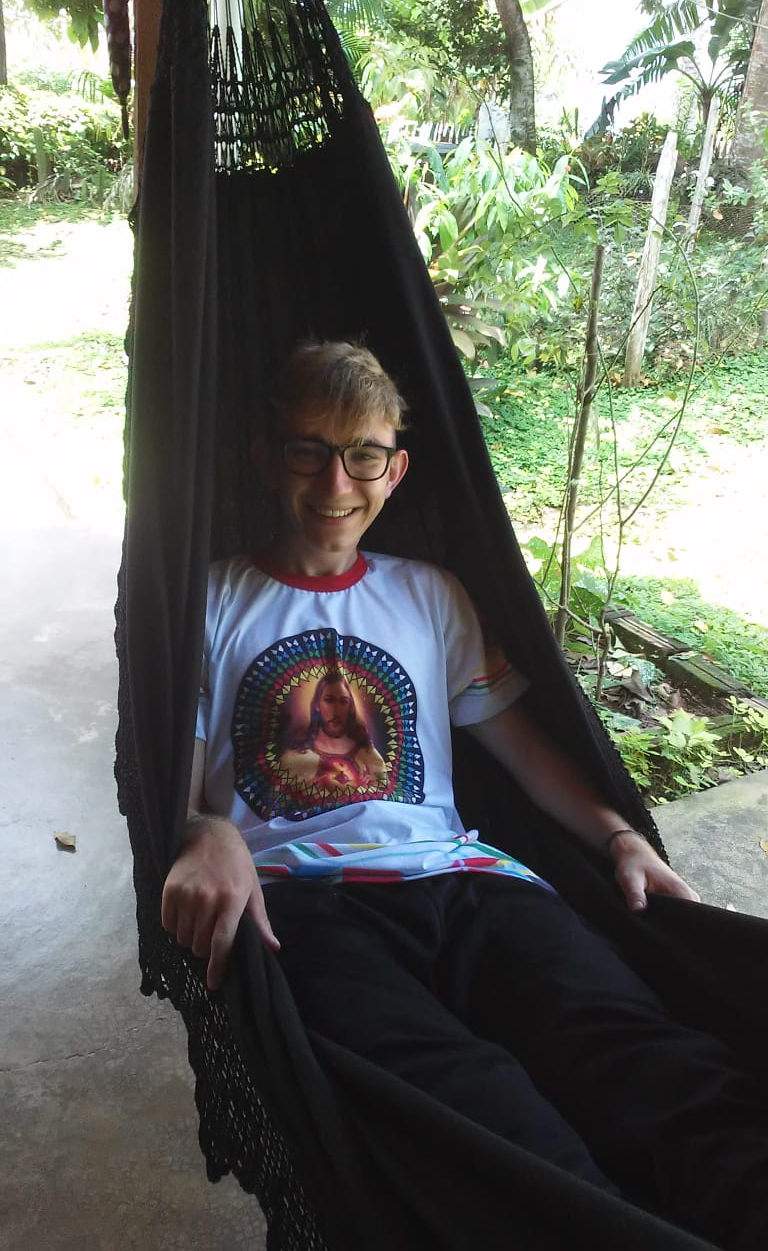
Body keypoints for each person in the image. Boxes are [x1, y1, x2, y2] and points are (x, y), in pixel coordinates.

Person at [162, 340, 768, 1249]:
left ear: (395, 469)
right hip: (304, 905)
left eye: (363, 454)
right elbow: (172, 787)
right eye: (308, 450)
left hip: (470, 883)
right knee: (479, 1112)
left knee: (645, 1059)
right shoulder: (210, 603)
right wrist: (202, 830)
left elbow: (522, 750)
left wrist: (617, 837)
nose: (337, 481)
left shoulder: (431, 595)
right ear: (265, 457)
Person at [279, 668, 387, 794]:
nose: (336, 710)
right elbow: (279, 797)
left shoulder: (367, 754)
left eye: (343, 702)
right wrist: (305, 792)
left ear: (351, 707)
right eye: (329, 700)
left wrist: (372, 787)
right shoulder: (295, 758)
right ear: (317, 705)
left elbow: (386, 791)